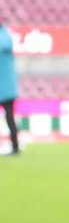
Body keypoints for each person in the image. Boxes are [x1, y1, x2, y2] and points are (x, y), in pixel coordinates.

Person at [0, 18, 17, 155]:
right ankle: (14, 146)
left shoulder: (5, 38)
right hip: (7, 87)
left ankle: (15, 146)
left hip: (6, 87)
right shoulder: (6, 36)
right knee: (10, 117)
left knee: (10, 117)